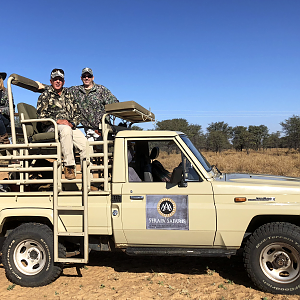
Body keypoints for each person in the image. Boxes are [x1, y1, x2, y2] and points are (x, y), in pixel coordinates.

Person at [36, 67, 119, 141]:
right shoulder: (75, 91)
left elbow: (114, 103)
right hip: (88, 130)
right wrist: (43, 86)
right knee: (89, 152)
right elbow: (59, 88)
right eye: (84, 76)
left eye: (89, 76)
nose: (86, 78)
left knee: (113, 149)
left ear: (93, 78)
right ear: (81, 78)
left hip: (103, 129)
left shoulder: (102, 90)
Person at [36, 69, 87, 180]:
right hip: (51, 127)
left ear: (64, 82)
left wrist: (73, 123)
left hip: (69, 127)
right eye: (55, 79)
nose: (57, 81)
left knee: (85, 144)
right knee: (65, 129)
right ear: (51, 81)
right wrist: (57, 120)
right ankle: (69, 166)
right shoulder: (45, 95)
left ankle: (88, 179)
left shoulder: (69, 95)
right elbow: (40, 116)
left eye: (60, 79)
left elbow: (78, 113)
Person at [0, 72, 12, 144]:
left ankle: (5, 139)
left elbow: (10, 109)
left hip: (5, 118)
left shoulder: (7, 92)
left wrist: (1, 110)